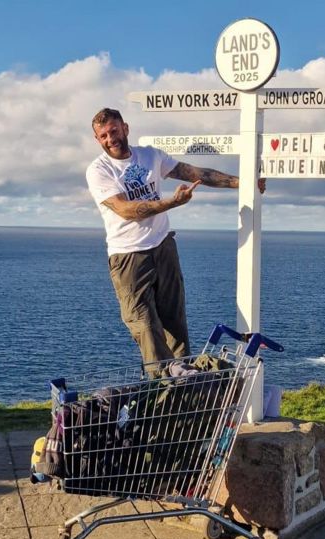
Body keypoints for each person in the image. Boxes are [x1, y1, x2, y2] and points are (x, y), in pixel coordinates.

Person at [85, 107, 264, 367]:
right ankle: (163, 391)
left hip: (163, 247)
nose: (110, 139)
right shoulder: (99, 170)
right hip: (128, 256)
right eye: (103, 136)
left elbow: (195, 173)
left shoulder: (150, 156)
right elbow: (125, 210)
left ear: (126, 128)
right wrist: (172, 203)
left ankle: (186, 390)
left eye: (114, 131)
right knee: (145, 327)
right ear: (97, 140)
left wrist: (245, 183)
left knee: (175, 324)